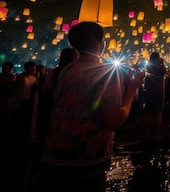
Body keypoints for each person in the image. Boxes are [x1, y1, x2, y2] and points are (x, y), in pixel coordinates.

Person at [38, 21, 145, 192]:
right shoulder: (106, 73)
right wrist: (132, 89)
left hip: (53, 157)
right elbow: (114, 121)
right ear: (99, 44)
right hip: (86, 162)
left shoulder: (67, 70)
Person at [144, 51, 167, 139]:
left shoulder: (148, 66)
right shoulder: (160, 68)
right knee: (158, 113)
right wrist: (162, 63)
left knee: (149, 113)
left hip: (149, 91)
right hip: (158, 92)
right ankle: (156, 133)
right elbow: (166, 72)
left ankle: (147, 133)